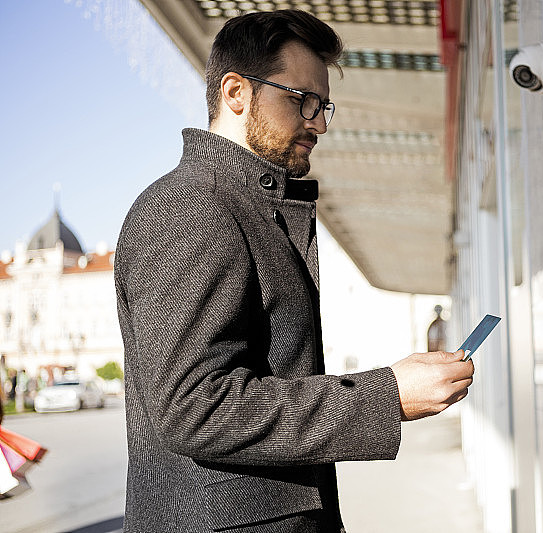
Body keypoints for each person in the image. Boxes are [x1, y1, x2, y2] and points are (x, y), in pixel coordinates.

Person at [114, 10, 474, 533]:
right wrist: (387, 395)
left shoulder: (240, 206)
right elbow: (195, 406)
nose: (320, 123)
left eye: (323, 105)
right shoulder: (190, 206)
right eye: (301, 100)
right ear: (236, 93)